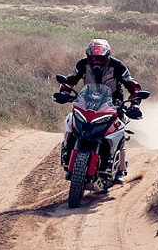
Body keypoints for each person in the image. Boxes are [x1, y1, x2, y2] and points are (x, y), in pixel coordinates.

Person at [55, 38, 144, 173]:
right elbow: (70, 79)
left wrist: (134, 104)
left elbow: (133, 85)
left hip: (113, 105)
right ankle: (67, 150)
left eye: (100, 59)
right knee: (71, 119)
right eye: (93, 58)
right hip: (88, 102)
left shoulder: (118, 66)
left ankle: (119, 169)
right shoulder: (82, 64)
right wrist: (64, 91)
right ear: (88, 56)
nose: (96, 62)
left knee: (119, 129)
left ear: (107, 56)